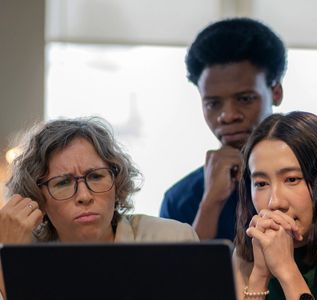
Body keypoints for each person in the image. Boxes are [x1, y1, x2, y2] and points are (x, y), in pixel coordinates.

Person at [0, 117, 198, 299]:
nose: (84, 196)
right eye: (63, 183)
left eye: (96, 177)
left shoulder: (173, 240)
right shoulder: (24, 256)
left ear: (117, 180)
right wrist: (10, 262)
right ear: (37, 197)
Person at [160, 17, 286, 240]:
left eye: (245, 99)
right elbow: (177, 274)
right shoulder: (181, 199)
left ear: (275, 92)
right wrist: (210, 204)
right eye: (213, 103)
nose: (227, 116)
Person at [233, 112, 317, 299]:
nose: (275, 202)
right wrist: (260, 275)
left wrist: (286, 271)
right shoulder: (245, 256)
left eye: (292, 179)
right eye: (261, 184)